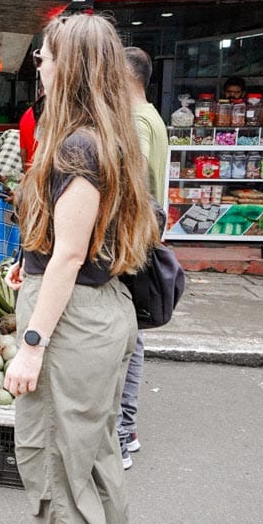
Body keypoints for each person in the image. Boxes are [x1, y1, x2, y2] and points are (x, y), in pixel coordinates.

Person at [4, 13, 159, 524]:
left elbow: (70, 256)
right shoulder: (106, 135)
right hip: (97, 306)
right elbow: (75, 244)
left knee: (68, 463)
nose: (37, 64)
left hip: (74, 320)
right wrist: (31, 259)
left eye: (44, 56)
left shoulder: (77, 146)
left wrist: (32, 343)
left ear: (71, 67)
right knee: (88, 458)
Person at [118, 46, 168, 471]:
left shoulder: (136, 122)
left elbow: (129, 184)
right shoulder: (152, 115)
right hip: (147, 231)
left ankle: (120, 432)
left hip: (136, 235)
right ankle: (127, 430)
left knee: (127, 336)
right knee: (132, 332)